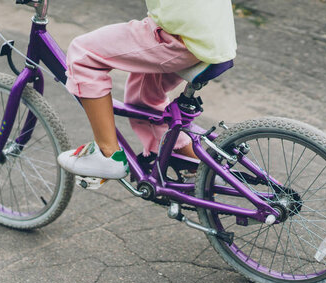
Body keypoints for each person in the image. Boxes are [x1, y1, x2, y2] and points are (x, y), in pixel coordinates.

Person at [57, 0, 237, 179]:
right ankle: (194, 164)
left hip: (179, 36)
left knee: (83, 54)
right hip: (212, 35)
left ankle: (108, 155)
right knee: (142, 98)